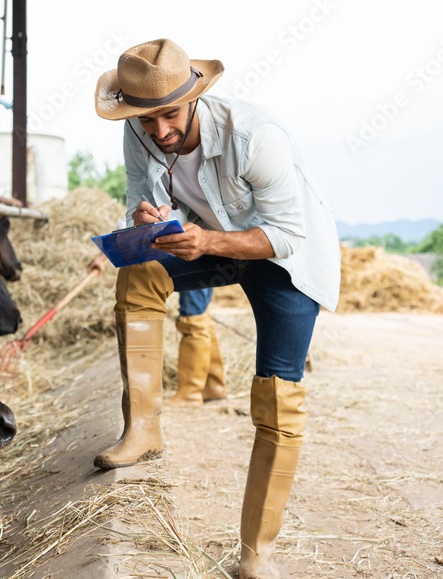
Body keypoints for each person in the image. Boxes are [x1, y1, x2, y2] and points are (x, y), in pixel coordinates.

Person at [92, 39, 340, 579]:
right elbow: (139, 193)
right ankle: (143, 429)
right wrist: (144, 216)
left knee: (279, 393)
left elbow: (286, 237)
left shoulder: (256, 137)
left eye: (170, 114)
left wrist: (207, 243)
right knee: (139, 273)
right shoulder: (138, 133)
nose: (160, 131)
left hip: (286, 258)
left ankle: (256, 556)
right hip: (209, 241)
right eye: (146, 118)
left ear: (195, 98)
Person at [88, 253, 227, 406]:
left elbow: (126, 232)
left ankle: (190, 393)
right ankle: (213, 385)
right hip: (205, 252)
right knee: (200, 314)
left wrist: (102, 257)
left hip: (191, 252)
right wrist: (102, 257)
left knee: (193, 315)